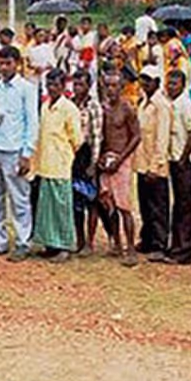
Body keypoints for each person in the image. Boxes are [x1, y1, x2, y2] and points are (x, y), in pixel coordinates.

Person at [0, 45, 39, 262]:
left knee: (19, 198)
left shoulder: (26, 88)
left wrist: (27, 153)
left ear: (17, 63)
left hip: (14, 151)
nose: (4, 67)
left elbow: (32, 122)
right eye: (1, 63)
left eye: (8, 63)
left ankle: (23, 242)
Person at [35, 69, 82, 261]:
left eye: (55, 85)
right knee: (47, 208)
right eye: (49, 85)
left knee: (62, 207)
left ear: (63, 86)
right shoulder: (45, 106)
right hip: (45, 164)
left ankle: (64, 246)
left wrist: (67, 156)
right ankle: (50, 244)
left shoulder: (69, 109)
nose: (51, 88)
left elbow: (77, 139)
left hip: (61, 164)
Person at [100, 71, 141, 266]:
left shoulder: (127, 108)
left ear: (121, 87)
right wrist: (101, 158)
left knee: (124, 207)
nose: (111, 89)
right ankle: (116, 244)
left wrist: (121, 158)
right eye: (108, 85)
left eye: (114, 85)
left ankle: (130, 248)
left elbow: (136, 136)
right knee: (110, 206)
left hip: (121, 160)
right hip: (106, 160)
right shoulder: (103, 108)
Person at [159, 68, 191, 264]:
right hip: (173, 159)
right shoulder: (170, 103)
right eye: (169, 83)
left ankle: (184, 251)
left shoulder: (186, 104)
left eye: (174, 83)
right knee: (178, 204)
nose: (170, 87)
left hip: (185, 162)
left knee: (184, 205)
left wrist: (184, 157)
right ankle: (175, 246)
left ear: (182, 85)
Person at [134, 65, 172, 258]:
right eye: (142, 80)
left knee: (158, 206)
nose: (144, 84)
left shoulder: (161, 106)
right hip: (141, 162)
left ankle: (160, 244)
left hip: (155, 166)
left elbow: (162, 139)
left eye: (148, 80)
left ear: (157, 82)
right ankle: (147, 239)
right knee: (145, 205)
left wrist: (155, 166)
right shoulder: (143, 103)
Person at [71, 69, 102, 256]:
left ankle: (90, 242)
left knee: (92, 201)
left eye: (81, 84)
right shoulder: (71, 104)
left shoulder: (93, 106)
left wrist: (94, 163)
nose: (77, 88)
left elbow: (97, 136)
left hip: (87, 154)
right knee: (76, 201)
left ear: (89, 85)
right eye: (75, 84)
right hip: (74, 155)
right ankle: (79, 239)